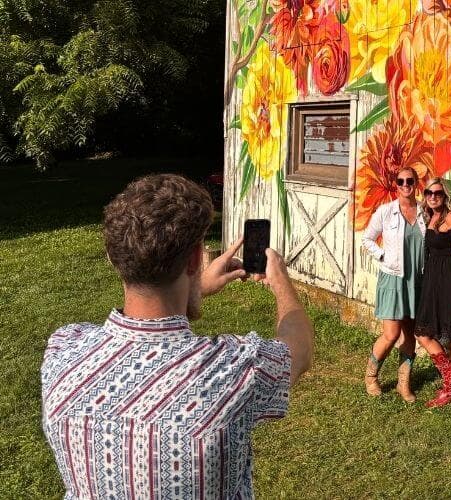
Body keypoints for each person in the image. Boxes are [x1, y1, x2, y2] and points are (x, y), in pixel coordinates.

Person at [40, 174, 313, 499]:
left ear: (113, 257)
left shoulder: (63, 349)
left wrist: (194, 288)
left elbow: (132, 337)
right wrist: (280, 280)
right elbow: (299, 349)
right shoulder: (235, 371)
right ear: (196, 259)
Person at [362, 166, 426, 402]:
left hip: (416, 280)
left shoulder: (424, 212)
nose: (405, 185)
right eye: (401, 181)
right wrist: (383, 256)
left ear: (416, 183)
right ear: (396, 185)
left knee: (410, 335)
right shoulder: (386, 211)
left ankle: (403, 383)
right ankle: (371, 377)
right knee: (391, 334)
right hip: (393, 278)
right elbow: (367, 239)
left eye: (410, 180)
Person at [414, 177, 451, 408]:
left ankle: (449, 390)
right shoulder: (430, 217)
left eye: (437, 193)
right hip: (434, 282)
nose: (433, 197)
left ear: (445, 196)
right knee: (422, 333)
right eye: (429, 193)